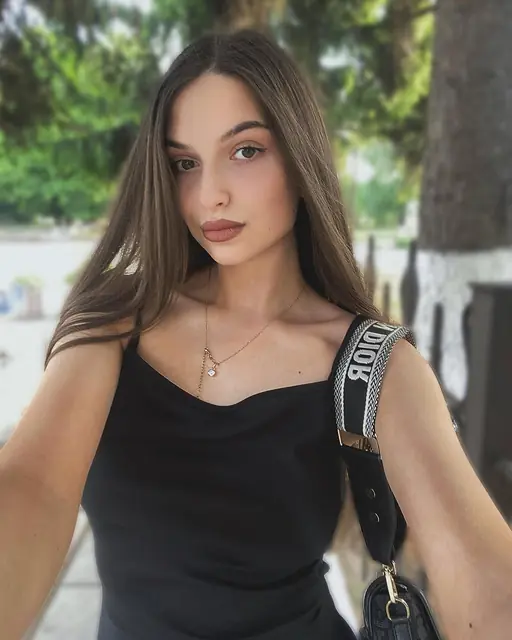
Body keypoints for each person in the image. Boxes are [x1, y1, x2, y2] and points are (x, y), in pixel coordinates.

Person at [1, 28, 511, 640]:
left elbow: (485, 577)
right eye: (184, 163)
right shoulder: (117, 318)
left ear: (300, 155)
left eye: (245, 151)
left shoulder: (375, 366)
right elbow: (34, 484)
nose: (209, 194)